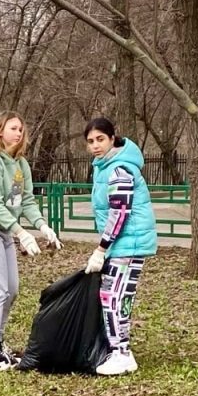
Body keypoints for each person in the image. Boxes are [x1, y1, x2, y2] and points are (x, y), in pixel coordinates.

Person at [0, 112, 61, 369]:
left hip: (4, 232)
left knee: (12, 290)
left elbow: (25, 201)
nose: (19, 133)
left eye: (21, 129)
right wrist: (21, 233)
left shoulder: (20, 165)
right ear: (0, 132)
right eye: (13, 128)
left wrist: (43, 227)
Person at [82, 116, 157, 377]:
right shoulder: (104, 167)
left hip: (129, 244)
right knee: (112, 297)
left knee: (115, 298)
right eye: (90, 141)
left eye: (100, 139)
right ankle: (120, 349)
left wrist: (101, 249)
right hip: (121, 244)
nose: (95, 146)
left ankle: (121, 354)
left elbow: (120, 213)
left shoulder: (119, 169)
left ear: (113, 138)